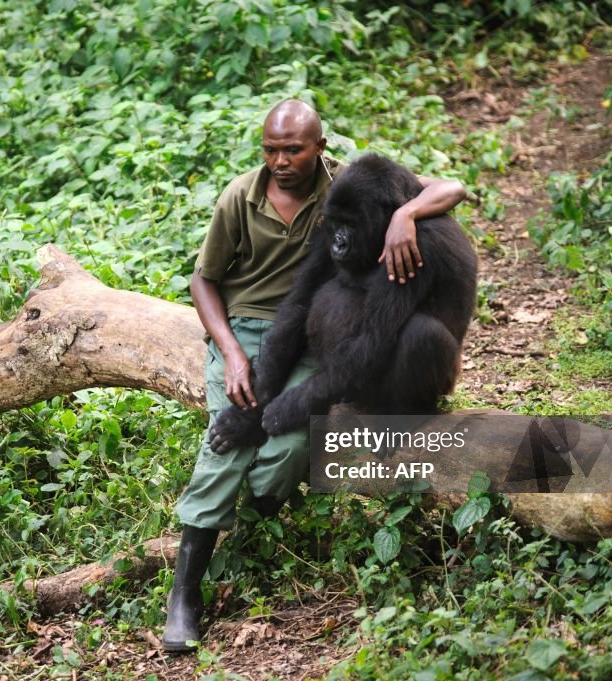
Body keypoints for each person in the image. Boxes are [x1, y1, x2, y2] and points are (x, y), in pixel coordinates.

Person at [162, 99, 466, 653]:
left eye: (293, 148)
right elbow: (297, 306)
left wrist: (273, 415)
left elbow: (371, 350)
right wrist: (252, 389)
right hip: (261, 335)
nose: (340, 239)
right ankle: (185, 590)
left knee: (409, 346)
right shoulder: (320, 204)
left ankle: (393, 426)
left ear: (318, 149)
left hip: (406, 371)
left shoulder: (404, 236)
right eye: (271, 149)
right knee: (234, 439)